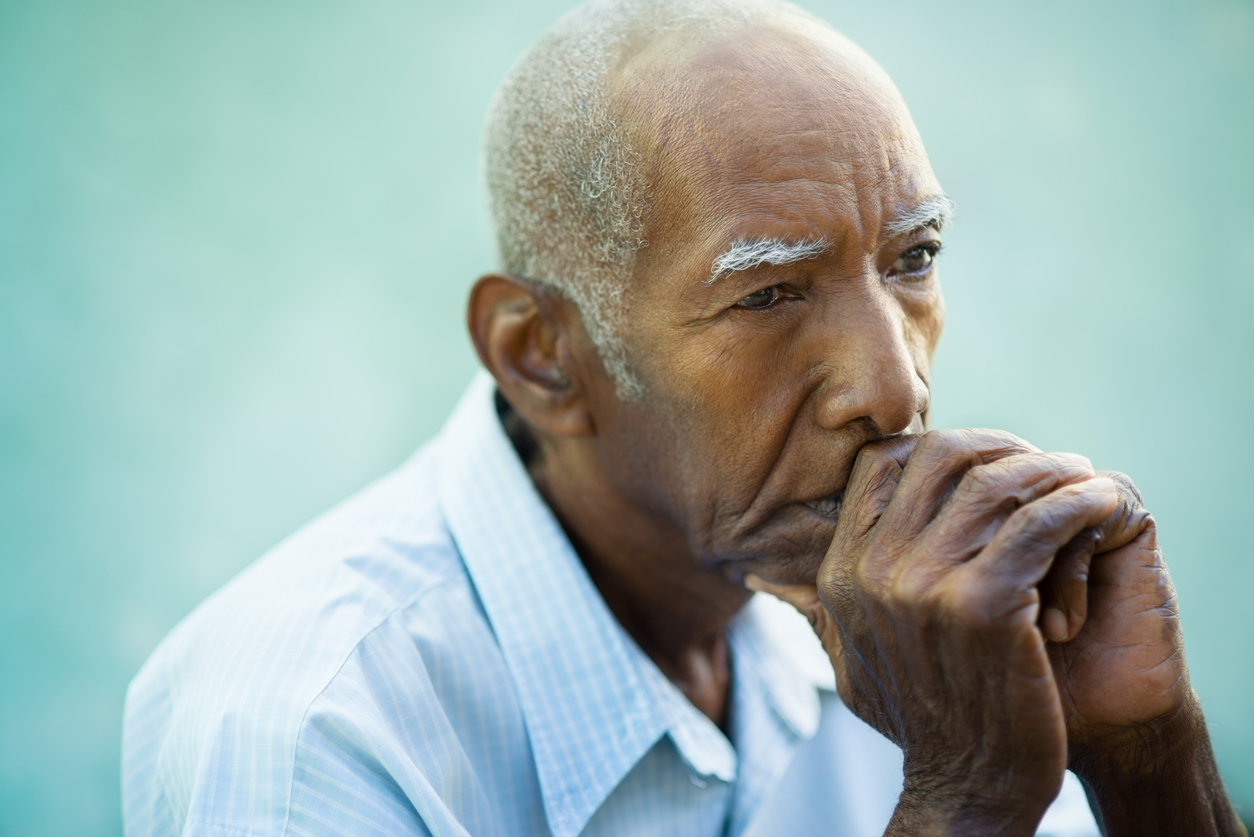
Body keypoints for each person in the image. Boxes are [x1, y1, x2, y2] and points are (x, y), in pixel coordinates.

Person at [122, 0, 1245, 834]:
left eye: (915, 258)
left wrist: (1148, 761)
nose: (895, 388)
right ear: (543, 358)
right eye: (767, 293)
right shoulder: (309, 725)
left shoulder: (930, 626)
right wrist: (964, 799)